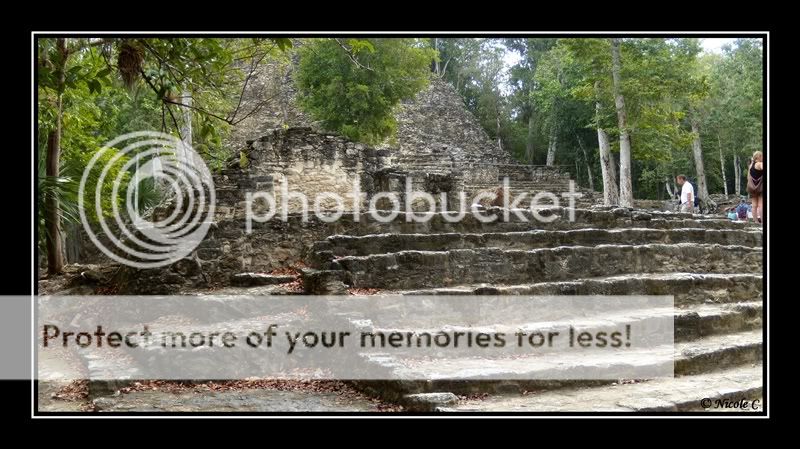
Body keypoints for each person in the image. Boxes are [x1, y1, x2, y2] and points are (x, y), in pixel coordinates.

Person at [747, 151, 764, 224]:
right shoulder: (760, 164)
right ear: (759, 157)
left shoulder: (751, 165)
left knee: (754, 205)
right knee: (761, 205)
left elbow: (748, 177)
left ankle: (756, 221)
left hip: (752, 188)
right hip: (760, 187)